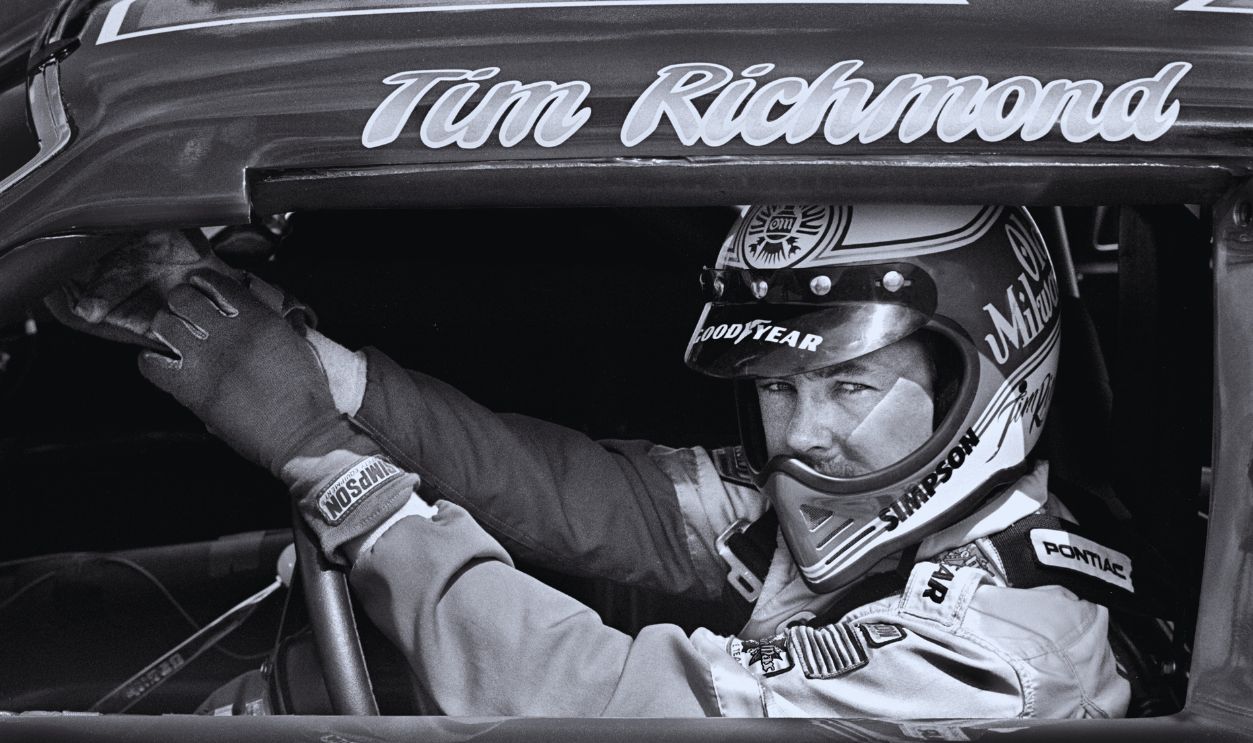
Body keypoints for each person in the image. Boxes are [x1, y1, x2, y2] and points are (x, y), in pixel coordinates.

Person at [54, 205, 1131, 718]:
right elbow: (601, 501)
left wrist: (336, 470)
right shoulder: (859, 502)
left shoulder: (991, 653)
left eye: (847, 385)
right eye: (773, 386)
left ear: (984, 372)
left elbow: (594, 704)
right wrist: (325, 377)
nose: (797, 433)